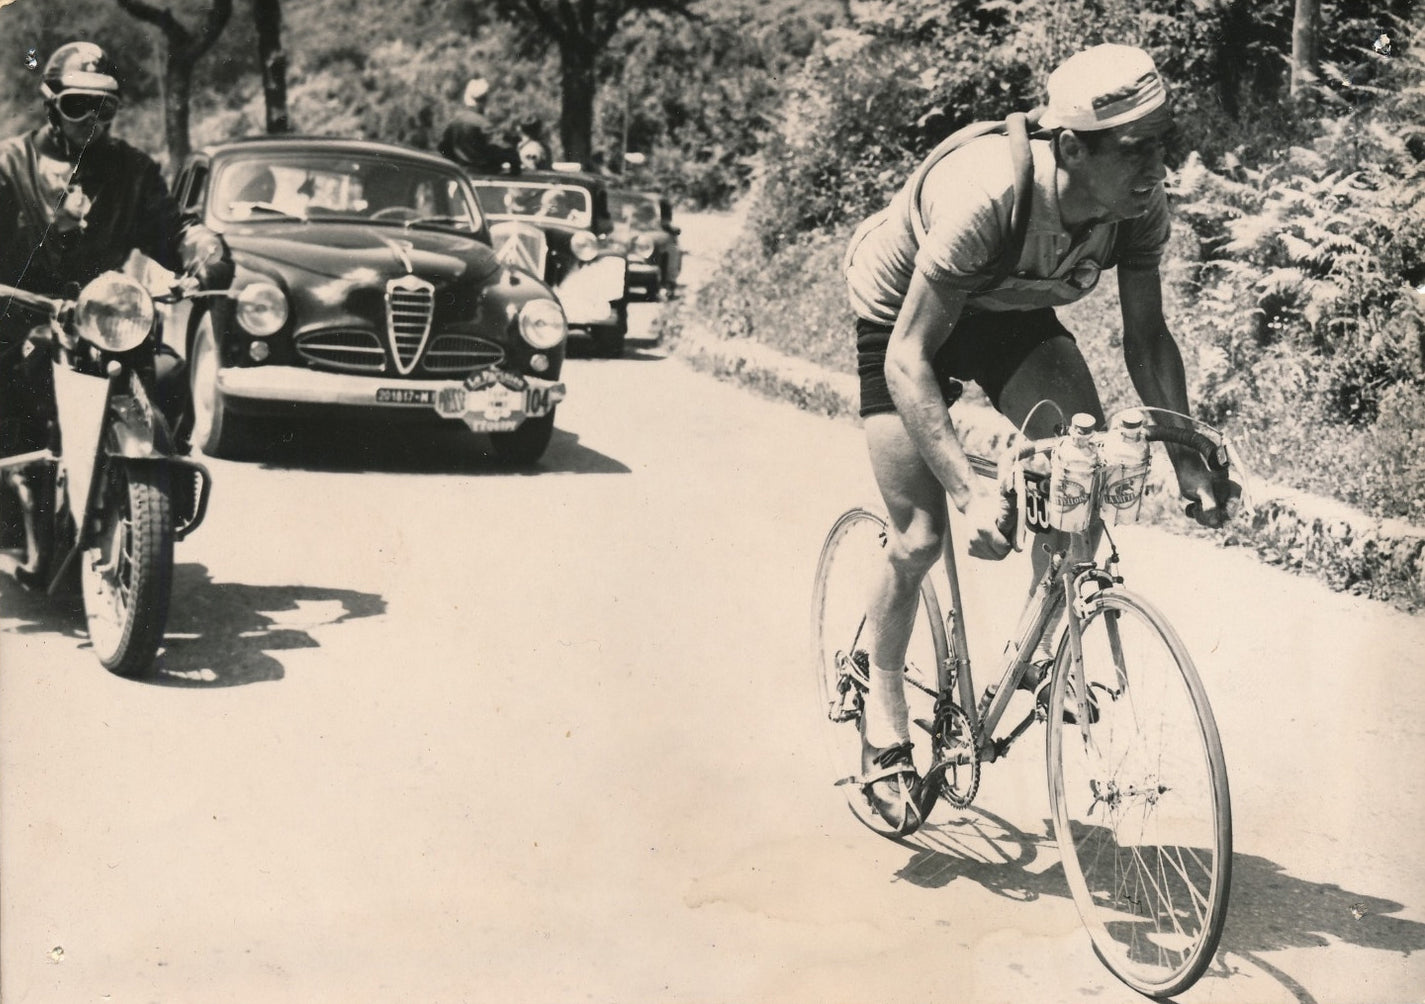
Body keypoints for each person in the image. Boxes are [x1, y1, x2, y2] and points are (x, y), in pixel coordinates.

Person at [842, 44, 1226, 831]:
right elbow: (910, 358)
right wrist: (966, 488)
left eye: (1163, 142)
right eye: (1135, 150)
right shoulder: (986, 193)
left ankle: (1040, 657)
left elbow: (1146, 340)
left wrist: (1188, 456)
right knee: (916, 540)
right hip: (905, 324)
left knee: (1076, 475)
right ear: (1071, 148)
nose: (1156, 167)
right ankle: (881, 716)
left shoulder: (1136, 202)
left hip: (1008, 315)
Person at [0, 41, 230, 457]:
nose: (91, 119)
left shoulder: (133, 170)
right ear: (51, 105)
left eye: (103, 108)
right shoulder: (8, 166)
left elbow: (174, 229)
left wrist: (205, 250)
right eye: (78, 105)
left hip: (107, 318)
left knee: (168, 377)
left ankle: (163, 483)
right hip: (17, 315)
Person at [438, 76, 518, 175]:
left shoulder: (454, 122)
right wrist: (515, 166)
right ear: (485, 99)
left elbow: (443, 148)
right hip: (486, 176)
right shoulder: (484, 124)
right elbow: (503, 148)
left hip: (462, 176)